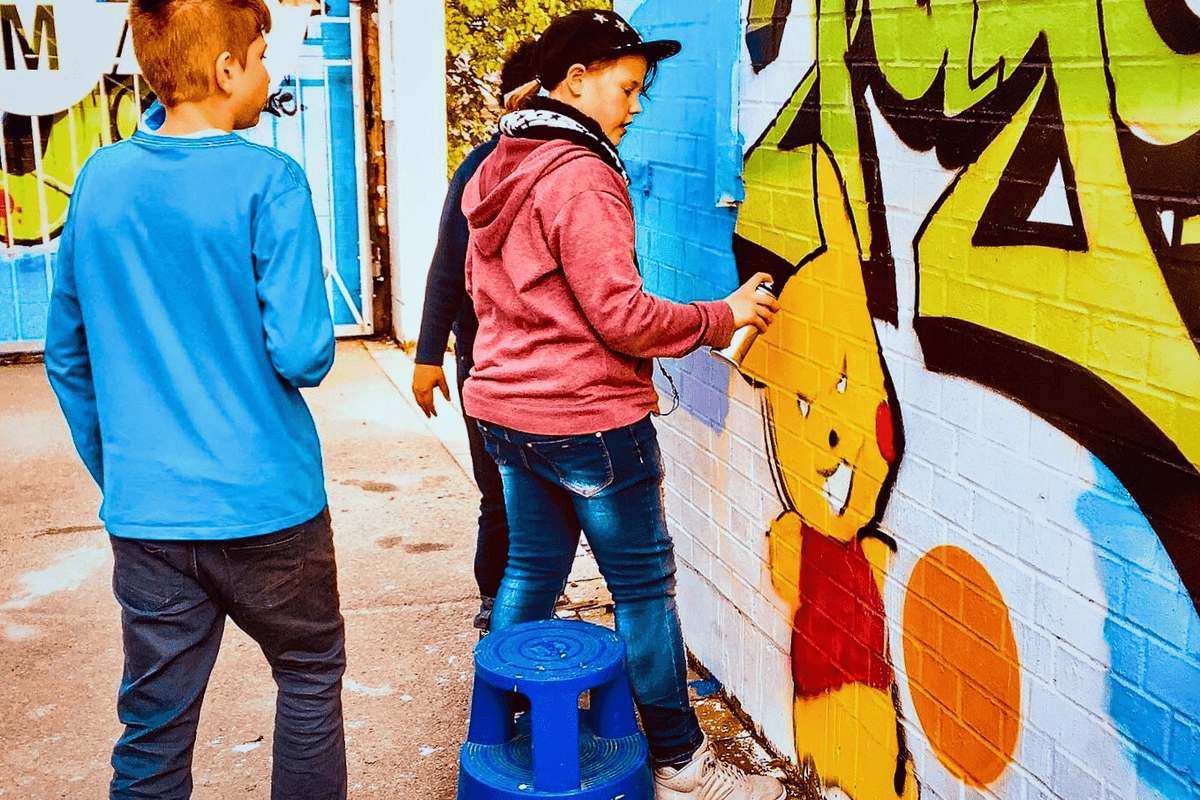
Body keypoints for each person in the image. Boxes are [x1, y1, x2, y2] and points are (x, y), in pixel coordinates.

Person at [461, 9, 786, 800]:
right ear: (577, 81)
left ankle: (499, 728)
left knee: (530, 570)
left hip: (507, 413)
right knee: (642, 592)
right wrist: (724, 315)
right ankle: (683, 764)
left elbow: (482, 291)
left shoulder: (499, 163)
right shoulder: (580, 174)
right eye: (628, 87)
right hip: (589, 423)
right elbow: (624, 317)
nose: (637, 107)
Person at [43, 0, 345, 797]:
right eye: (262, 55)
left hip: (150, 516)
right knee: (309, 674)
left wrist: (125, 472)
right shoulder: (271, 181)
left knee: (154, 729)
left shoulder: (98, 180)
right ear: (226, 69)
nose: (268, 73)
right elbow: (304, 353)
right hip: (270, 507)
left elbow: (66, 355)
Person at [411, 40, 541, 633]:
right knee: (499, 489)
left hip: (545, 364)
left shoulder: (580, 164)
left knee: (535, 496)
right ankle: (495, 601)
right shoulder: (483, 167)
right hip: (484, 356)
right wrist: (427, 356)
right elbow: (447, 264)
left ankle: (531, 600)